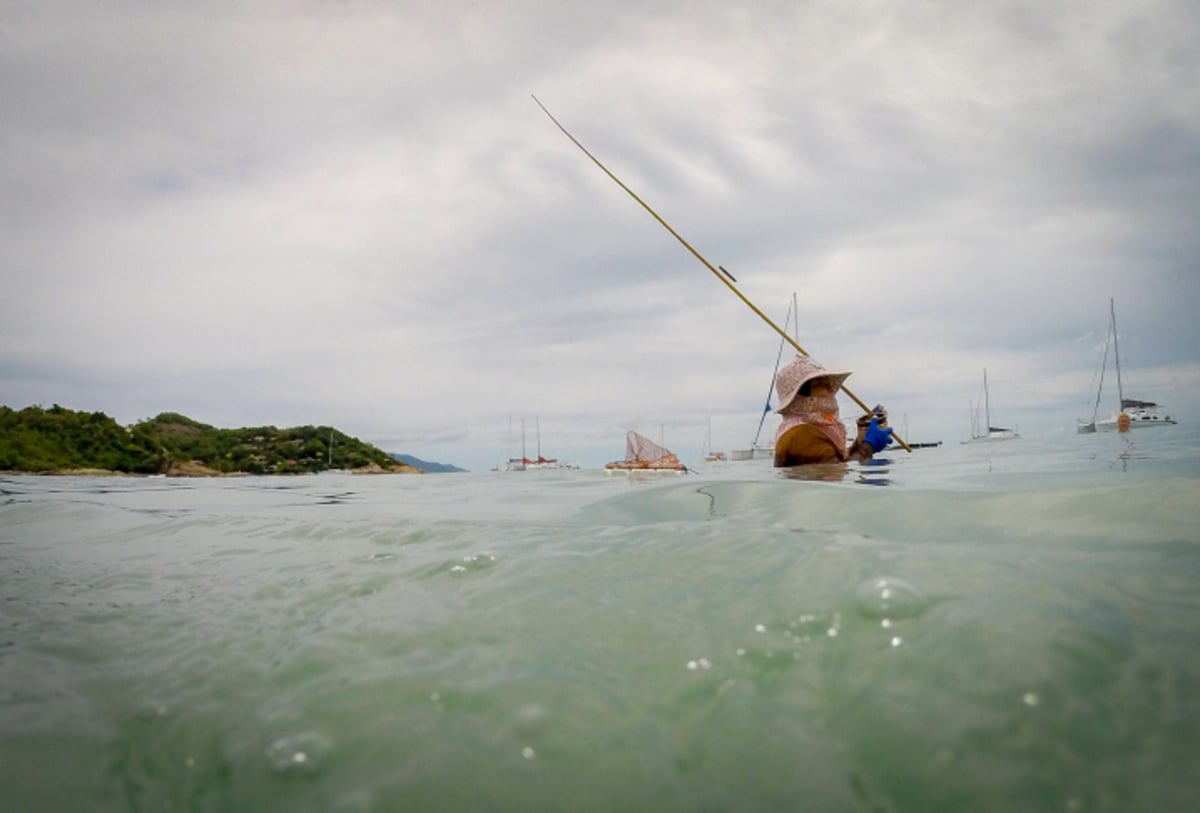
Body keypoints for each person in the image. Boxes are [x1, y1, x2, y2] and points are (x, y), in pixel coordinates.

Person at [772, 355, 893, 467]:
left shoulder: (811, 429)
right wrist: (869, 446)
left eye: (827, 382)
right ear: (799, 397)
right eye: (820, 384)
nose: (829, 388)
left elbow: (839, 462)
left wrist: (860, 443)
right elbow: (838, 473)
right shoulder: (801, 434)